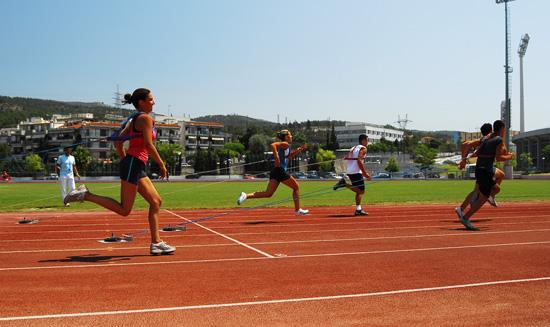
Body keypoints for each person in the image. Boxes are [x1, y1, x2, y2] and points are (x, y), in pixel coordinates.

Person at [64, 88, 175, 255]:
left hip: (134, 165)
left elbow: (118, 143)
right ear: (141, 102)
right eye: (151, 99)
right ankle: (85, 195)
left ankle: (156, 243)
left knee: (156, 202)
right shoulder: (144, 118)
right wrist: (161, 164)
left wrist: (125, 160)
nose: (154, 102)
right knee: (124, 210)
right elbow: (148, 144)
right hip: (134, 164)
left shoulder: (133, 119)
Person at [455, 120, 514, 230]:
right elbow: (499, 158)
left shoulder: (485, 138)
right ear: (502, 129)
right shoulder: (498, 140)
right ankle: (466, 217)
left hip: (480, 169)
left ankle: (478, 199)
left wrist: (464, 160)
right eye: (504, 129)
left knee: (496, 189)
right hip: (485, 170)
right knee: (484, 197)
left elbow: (470, 146)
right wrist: (510, 157)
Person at [236, 130, 309, 215]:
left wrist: (299, 150)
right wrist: (276, 157)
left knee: (268, 193)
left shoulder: (287, 146)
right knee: (296, 187)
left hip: (276, 171)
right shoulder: (285, 144)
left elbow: (288, 156)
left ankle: (246, 195)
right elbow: (273, 145)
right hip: (281, 171)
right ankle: (297, 210)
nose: (291, 136)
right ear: (285, 137)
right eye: (290, 135)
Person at [457, 123, 505, 215]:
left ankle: (461, 208)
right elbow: (466, 144)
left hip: (482, 166)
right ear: (491, 131)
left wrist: (463, 159)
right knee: (500, 176)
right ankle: (490, 196)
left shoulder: (487, 139)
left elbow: (465, 144)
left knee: (477, 190)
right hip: (483, 167)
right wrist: (463, 160)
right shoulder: (486, 139)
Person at [333, 134, 371, 216]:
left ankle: (358, 210)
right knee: (361, 191)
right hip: (356, 171)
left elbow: (346, 157)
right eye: (367, 140)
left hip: (350, 171)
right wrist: (365, 174)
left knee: (358, 191)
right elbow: (359, 161)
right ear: (363, 140)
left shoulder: (354, 148)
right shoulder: (363, 149)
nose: (368, 142)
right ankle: (344, 184)